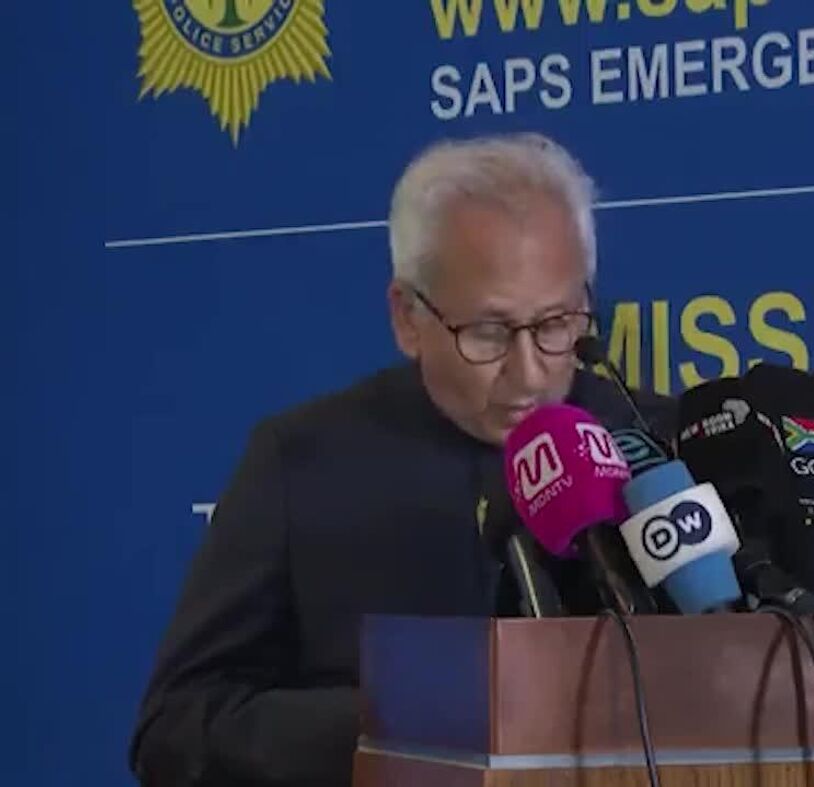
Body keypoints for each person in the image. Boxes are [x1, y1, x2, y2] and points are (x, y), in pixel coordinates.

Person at [128, 133, 676, 786]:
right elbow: (176, 728)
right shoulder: (301, 463)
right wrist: (401, 718)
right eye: (489, 333)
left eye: (556, 323)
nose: (530, 373)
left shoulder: (657, 444)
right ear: (408, 318)